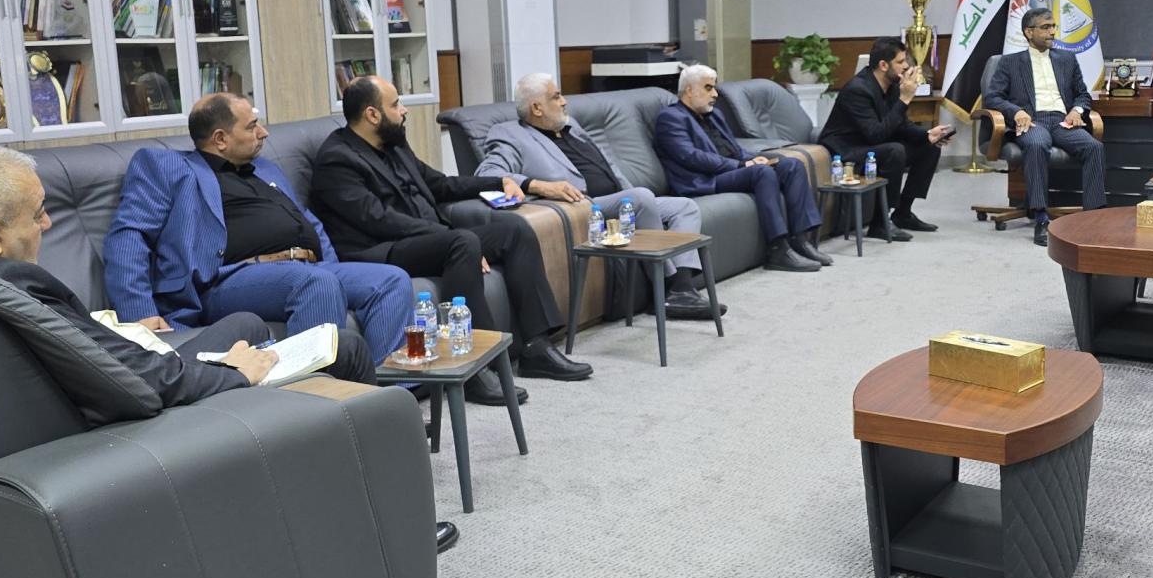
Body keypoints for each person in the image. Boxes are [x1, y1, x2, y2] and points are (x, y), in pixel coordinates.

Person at [0, 144, 460, 555]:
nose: (47, 223)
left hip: (134, 373)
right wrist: (239, 375)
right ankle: (392, 527)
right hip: (156, 412)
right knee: (344, 347)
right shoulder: (22, 286)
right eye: (38, 213)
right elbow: (146, 386)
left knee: (245, 322)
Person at [310, 76, 590, 405]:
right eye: (396, 104)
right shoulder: (337, 159)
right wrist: (446, 235)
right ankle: (476, 368)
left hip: (427, 238)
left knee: (513, 230)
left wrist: (503, 181)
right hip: (380, 251)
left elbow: (440, 185)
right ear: (372, 114)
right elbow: (379, 220)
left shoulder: (392, 143)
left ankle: (536, 348)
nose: (404, 111)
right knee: (462, 244)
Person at [104, 93, 416, 376]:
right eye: (252, 126)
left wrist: (332, 269)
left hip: (306, 268)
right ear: (220, 139)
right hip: (226, 279)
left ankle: (388, 395)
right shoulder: (167, 166)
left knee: (392, 280)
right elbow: (129, 235)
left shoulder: (265, 169)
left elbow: (307, 220)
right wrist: (139, 313)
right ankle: (319, 406)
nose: (264, 133)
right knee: (317, 283)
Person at [477, 72, 725, 320]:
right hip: (586, 207)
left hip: (620, 198)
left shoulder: (570, 126)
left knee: (685, 207)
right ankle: (668, 287)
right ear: (537, 108)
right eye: (556, 96)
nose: (564, 101)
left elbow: (608, 166)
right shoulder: (510, 134)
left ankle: (681, 289)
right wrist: (538, 185)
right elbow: (487, 173)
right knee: (640, 197)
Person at [653, 64, 830, 272]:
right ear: (689, 90)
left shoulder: (714, 115)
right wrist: (741, 164)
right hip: (704, 180)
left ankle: (801, 240)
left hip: (731, 170)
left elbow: (735, 150)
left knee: (791, 165)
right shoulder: (671, 118)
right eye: (708, 88)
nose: (715, 94)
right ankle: (777, 249)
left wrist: (755, 158)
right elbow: (691, 157)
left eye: (714, 87)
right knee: (762, 172)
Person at [982, 6, 1106, 247]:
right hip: (1032, 120)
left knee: (1094, 147)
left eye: (1053, 26)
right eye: (1046, 27)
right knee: (1037, 144)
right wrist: (1016, 111)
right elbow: (993, 97)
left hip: (1062, 121)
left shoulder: (1067, 59)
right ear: (1029, 32)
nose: (1052, 32)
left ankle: (1093, 216)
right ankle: (1040, 216)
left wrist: (1077, 110)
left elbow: (1082, 94)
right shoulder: (1010, 62)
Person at [816, 38, 955, 241]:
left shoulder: (892, 86)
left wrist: (927, 135)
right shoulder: (857, 90)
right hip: (845, 151)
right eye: (900, 61)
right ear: (883, 65)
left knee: (929, 147)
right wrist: (905, 99)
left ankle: (903, 213)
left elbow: (900, 125)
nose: (906, 66)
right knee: (894, 150)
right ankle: (880, 223)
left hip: (869, 145)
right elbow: (875, 134)